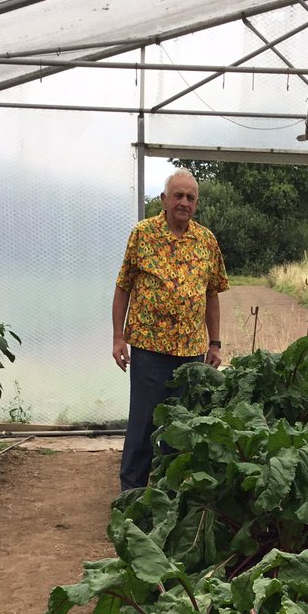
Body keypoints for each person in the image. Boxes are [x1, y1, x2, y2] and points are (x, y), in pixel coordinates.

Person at [112, 169, 228, 492]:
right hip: (149, 351)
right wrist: (118, 337)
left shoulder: (206, 241)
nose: (184, 202)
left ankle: (170, 497)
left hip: (191, 354)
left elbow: (211, 294)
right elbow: (123, 288)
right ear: (163, 200)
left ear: (197, 204)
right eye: (178, 195)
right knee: (143, 426)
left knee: (180, 429)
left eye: (190, 197)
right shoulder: (143, 234)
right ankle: (131, 497)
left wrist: (214, 343)